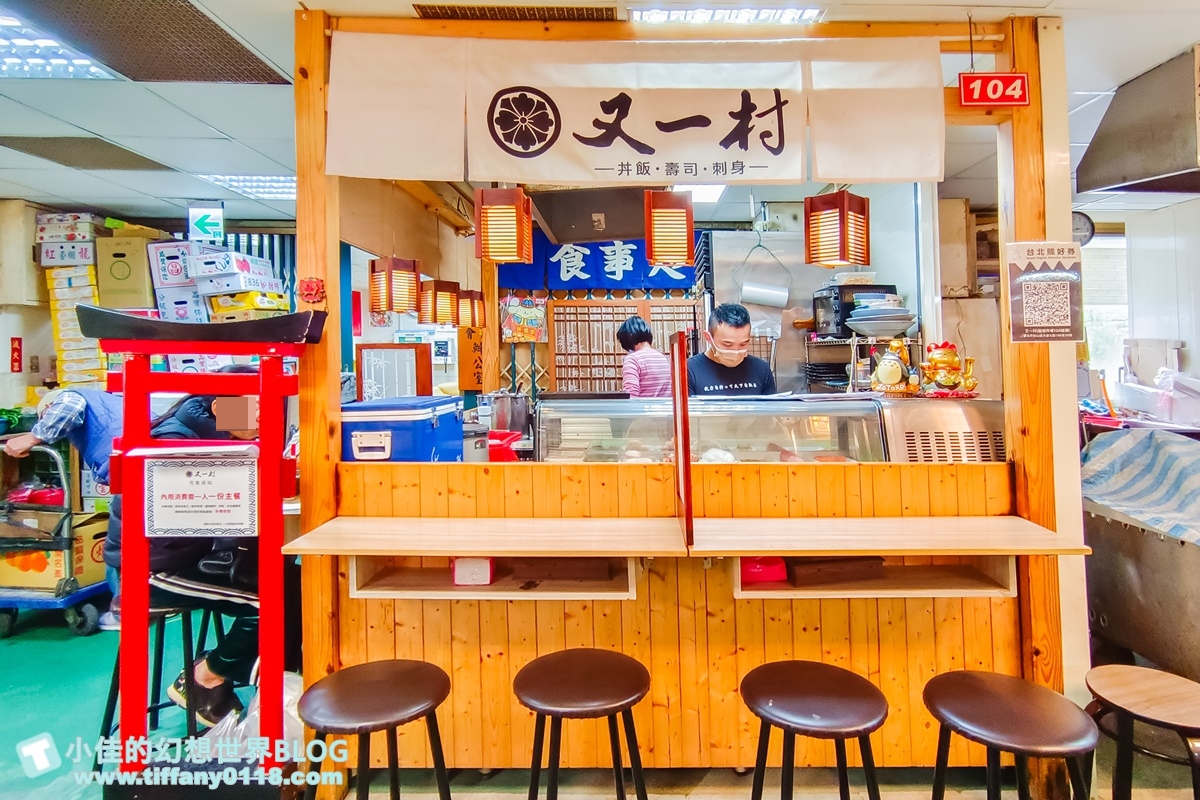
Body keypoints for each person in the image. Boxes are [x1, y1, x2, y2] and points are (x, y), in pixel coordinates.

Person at [4, 388, 124, 627]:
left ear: (47, 409)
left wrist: (31, 438)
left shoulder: (71, 396)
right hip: (153, 469)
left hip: (132, 472)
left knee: (119, 546)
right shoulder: (113, 401)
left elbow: (70, 405)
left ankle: (124, 612)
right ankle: (156, 600)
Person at [686, 303, 777, 396]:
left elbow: (772, 409)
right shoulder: (689, 369)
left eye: (743, 344)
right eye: (727, 344)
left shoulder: (761, 369)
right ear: (708, 338)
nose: (736, 351)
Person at [617, 316, 672, 399]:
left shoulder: (633, 359)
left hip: (644, 410)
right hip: (666, 410)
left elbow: (631, 395)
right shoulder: (663, 358)